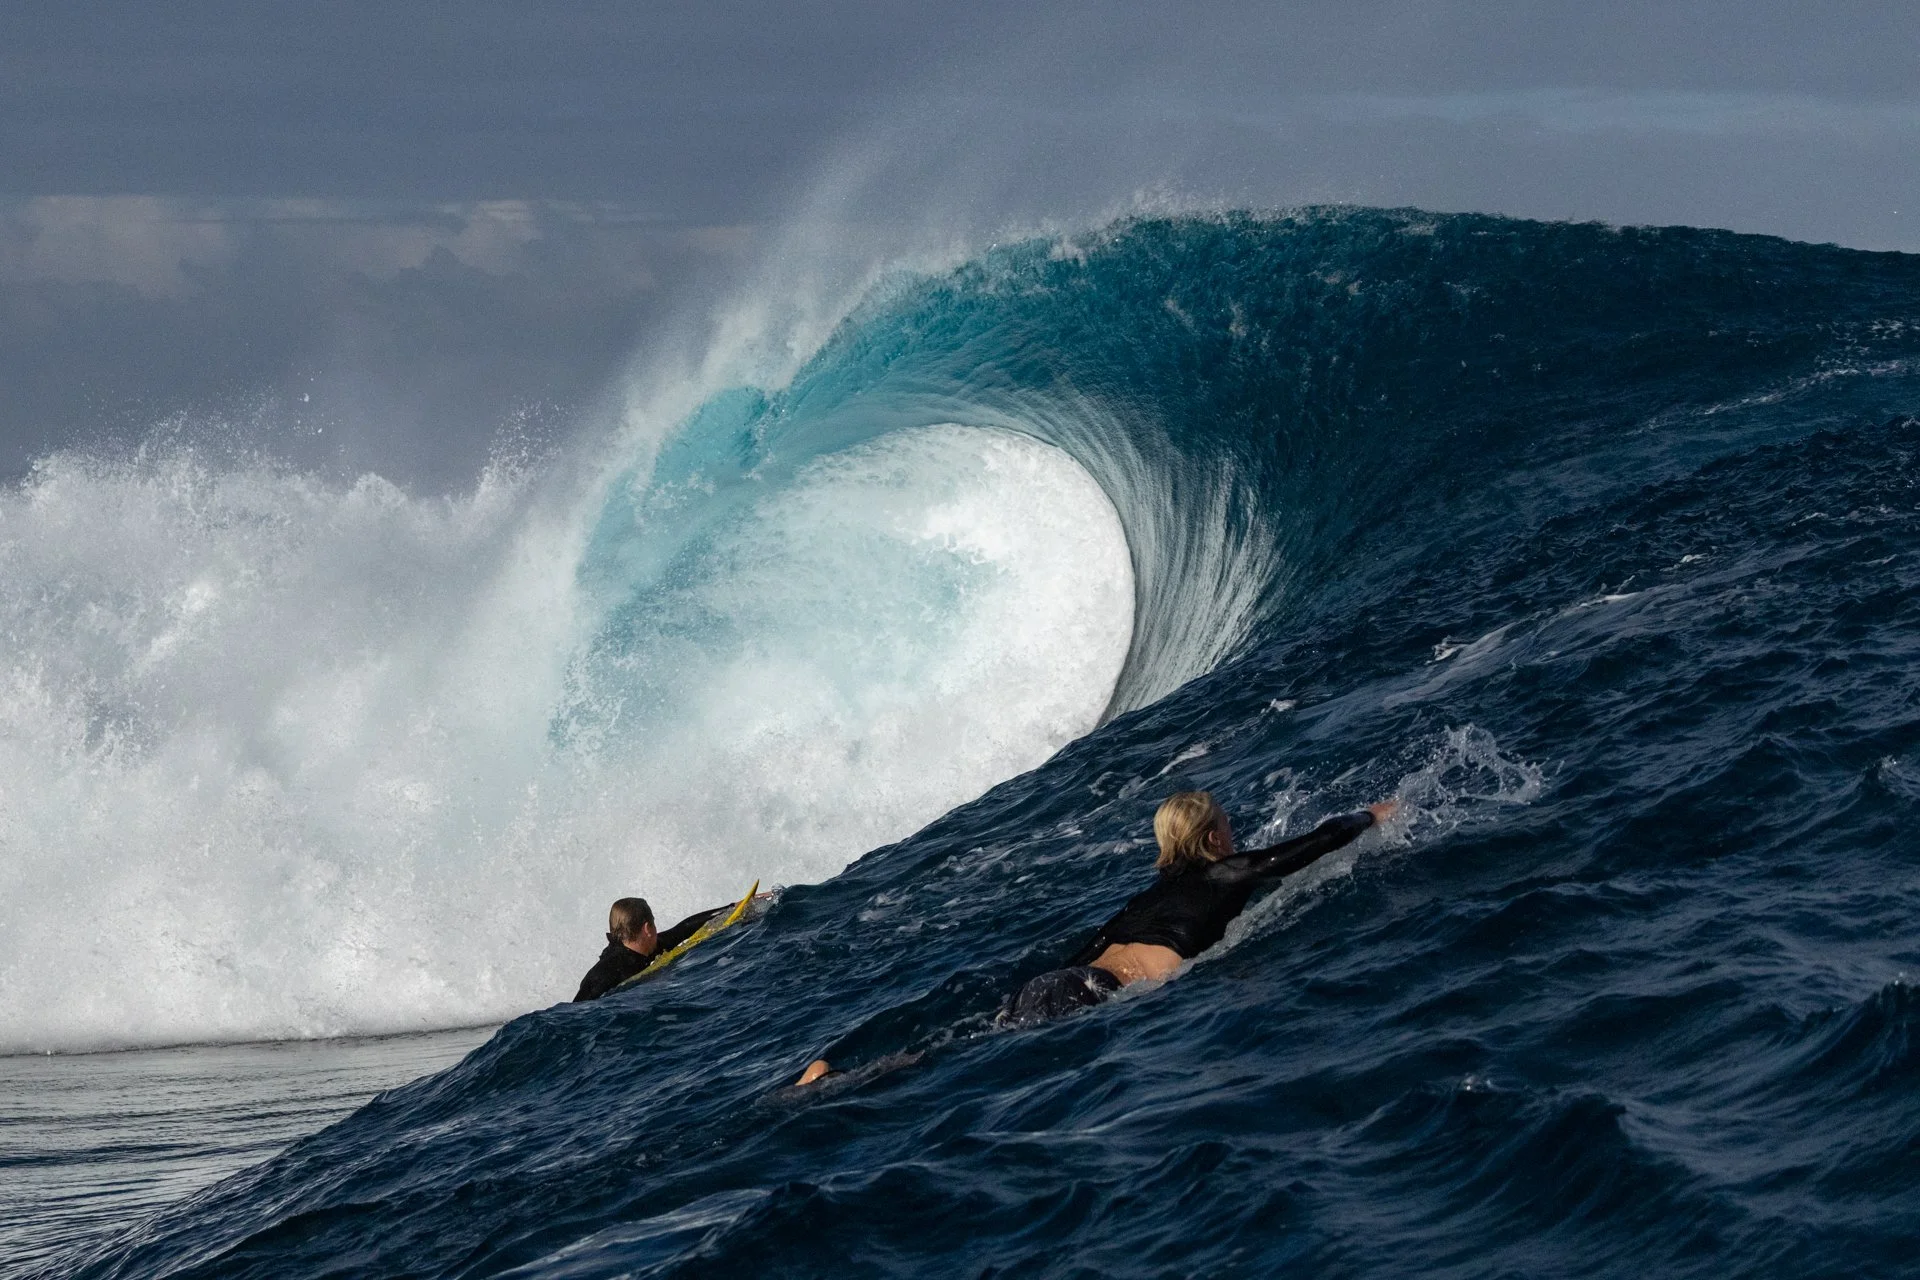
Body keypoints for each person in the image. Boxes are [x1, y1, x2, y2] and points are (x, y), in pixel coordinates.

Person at [792, 789, 1395, 1084]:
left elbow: (1085, 951)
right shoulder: (1224, 872)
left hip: (1065, 979)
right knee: (970, 1055)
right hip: (1090, 990)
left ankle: (840, 1077)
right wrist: (1369, 817)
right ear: (1211, 839)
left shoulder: (1144, 898)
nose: (1233, 834)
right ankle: (841, 1086)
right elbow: (1300, 851)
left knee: (974, 1040)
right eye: (1225, 825)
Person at [573, 896, 728, 1002]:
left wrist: (730, 908)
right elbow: (577, 1012)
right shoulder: (606, 971)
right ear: (647, 928)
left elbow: (684, 929)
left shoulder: (650, 948)